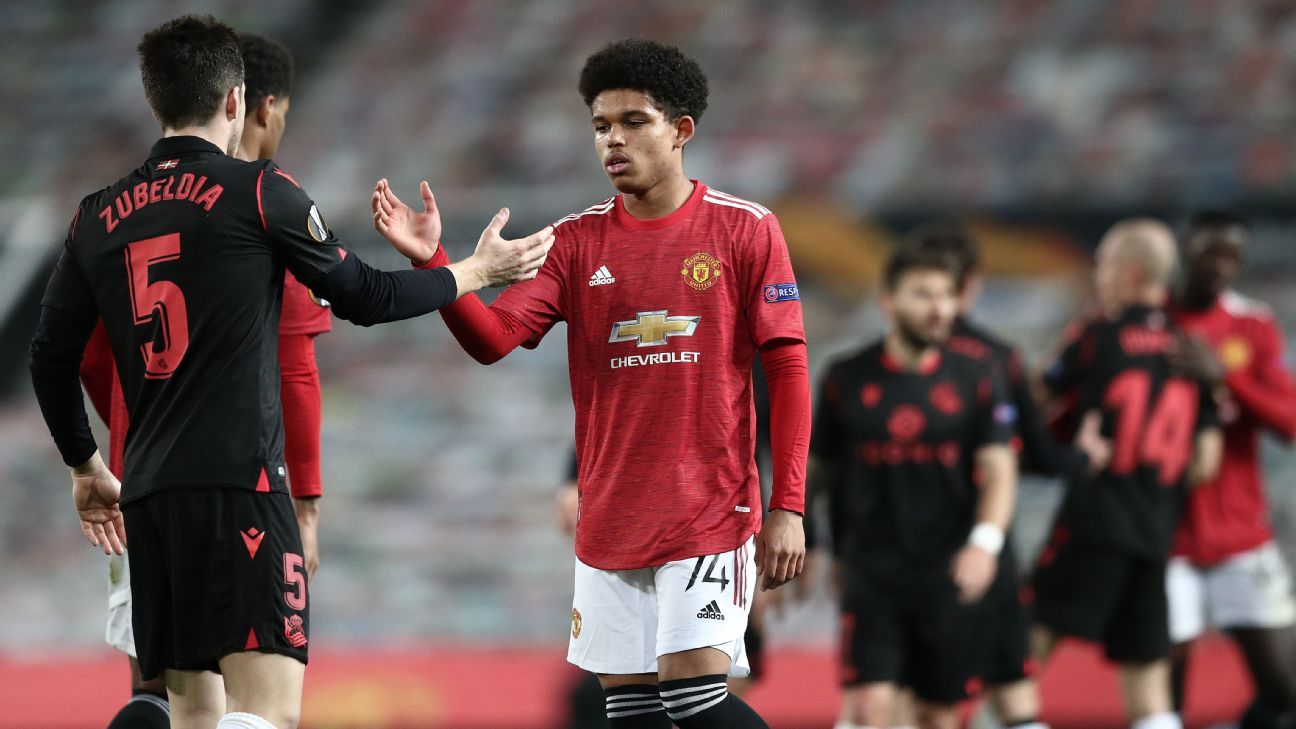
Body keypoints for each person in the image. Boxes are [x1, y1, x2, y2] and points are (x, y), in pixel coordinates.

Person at [29, 15, 552, 729]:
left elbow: (49, 358)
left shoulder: (96, 216)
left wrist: (85, 465)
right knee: (264, 712)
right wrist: (471, 271)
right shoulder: (258, 190)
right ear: (238, 100)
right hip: (241, 486)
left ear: (155, 102)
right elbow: (366, 296)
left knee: (189, 713)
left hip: (149, 496)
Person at [372, 38, 809, 729]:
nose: (613, 138)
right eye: (602, 125)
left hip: (708, 508)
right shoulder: (573, 243)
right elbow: (492, 340)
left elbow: (787, 371)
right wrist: (438, 265)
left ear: (681, 130)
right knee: (630, 712)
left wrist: (788, 504)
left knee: (696, 701)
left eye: (634, 121)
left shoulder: (744, 229)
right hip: (609, 521)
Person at [79, 31, 330, 729]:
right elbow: (296, 368)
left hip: (142, 482)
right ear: (256, 105)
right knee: (255, 703)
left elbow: (88, 357)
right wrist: (305, 502)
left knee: (159, 695)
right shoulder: (264, 208)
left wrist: (131, 436)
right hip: (239, 484)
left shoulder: (122, 214)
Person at [810, 237, 1019, 729]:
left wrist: (984, 545)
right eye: (923, 294)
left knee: (938, 714)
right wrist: (802, 539)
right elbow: (814, 469)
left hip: (946, 572)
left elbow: (1000, 472)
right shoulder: (846, 378)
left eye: (945, 296)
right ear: (888, 301)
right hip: (871, 571)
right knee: (871, 706)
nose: (938, 309)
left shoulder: (977, 377)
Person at [1032, 219, 1223, 729]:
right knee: (1148, 683)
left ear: (1129, 273)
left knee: (1022, 653)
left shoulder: (1095, 337)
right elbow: (1205, 463)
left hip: (1094, 517)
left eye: (1103, 265)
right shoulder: (1192, 351)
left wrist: (1062, 445)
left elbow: (1033, 400)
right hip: (1153, 530)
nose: (1098, 276)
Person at [913, 224, 1093, 729]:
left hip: (914, 551)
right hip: (991, 551)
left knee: (930, 702)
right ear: (971, 284)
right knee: (1015, 694)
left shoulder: (886, 364)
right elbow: (1035, 455)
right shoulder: (998, 358)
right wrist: (1083, 455)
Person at [1166, 211, 1296, 729]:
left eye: (1233, 257)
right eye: (1210, 253)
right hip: (1165, 538)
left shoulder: (1252, 324)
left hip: (1241, 535)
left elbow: (1289, 421)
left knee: (1285, 692)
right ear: (1184, 250)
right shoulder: (1149, 321)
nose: (1222, 266)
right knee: (1161, 703)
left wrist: (1226, 380)